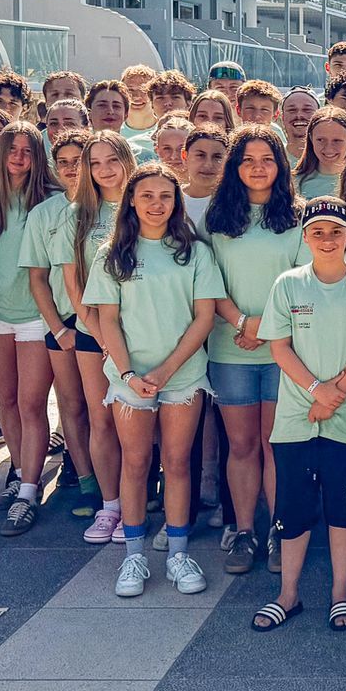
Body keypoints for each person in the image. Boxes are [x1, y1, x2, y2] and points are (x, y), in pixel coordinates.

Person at [83, 163, 224, 598]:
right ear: (131, 200)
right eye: (147, 195)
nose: (156, 204)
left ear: (176, 201)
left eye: (165, 196)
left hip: (182, 376)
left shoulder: (195, 252)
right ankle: (134, 556)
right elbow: (106, 319)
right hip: (129, 379)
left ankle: (178, 554)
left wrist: (165, 371)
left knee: (178, 463)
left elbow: (204, 318)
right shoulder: (112, 255)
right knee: (136, 463)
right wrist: (129, 373)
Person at [250, 195, 346, 633]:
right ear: (305, 237)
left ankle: (339, 592)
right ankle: (288, 594)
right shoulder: (288, 284)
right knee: (293, 510)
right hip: (296, 421)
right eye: (317, 232)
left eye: (335, 232)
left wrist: (334, 394)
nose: (327, 239)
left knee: (345, 511)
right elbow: (279, 347)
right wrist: (316, 389)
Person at [204, 127, 304, 576]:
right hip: (231, 348)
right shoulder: (218, 216)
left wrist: (267, 329)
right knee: (241, 445)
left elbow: (304, 284)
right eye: (248, 159)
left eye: (267, 159)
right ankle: (244, 531)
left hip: (285, 351)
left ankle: (279, 531)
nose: (258, 167)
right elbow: (208, 282)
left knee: (275, 445)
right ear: (235, 166)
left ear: (281, 165)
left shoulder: (298, 216)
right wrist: (243, 323)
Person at [0, 122, 61, 534]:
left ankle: (29, 491)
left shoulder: (53, 201)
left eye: (27, 150)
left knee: (31, 402)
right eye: (12, 149)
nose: (19, 158)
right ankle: (20, 475)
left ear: (39, 156)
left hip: (37, 314)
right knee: (6, 400)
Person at [65, 133, 136, 544]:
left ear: (127, 160)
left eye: (112, 160)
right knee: (102, 420)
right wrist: (101, 335)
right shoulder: (77, 214)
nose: (105, 169)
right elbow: (73, 282)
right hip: (94, 335)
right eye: (95, 163)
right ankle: (110, 506)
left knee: (137, 424)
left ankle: (137, 503)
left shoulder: (144, 203)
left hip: (143, 334)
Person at [22, 129, 98, 514]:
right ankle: (87, 482)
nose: (71, 169)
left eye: (78, 161)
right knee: (72, 404)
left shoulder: (112, 207)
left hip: (106, 323)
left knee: (106, 407)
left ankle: (121, 483)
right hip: (64, 323)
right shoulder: (44, 213)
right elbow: (37, 277)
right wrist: (58, 328)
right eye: (63, 162)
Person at [294, 107, 346, 199]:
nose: (329, 148)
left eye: (337, 141)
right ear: (311, 138)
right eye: (321, 140)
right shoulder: (293, 183)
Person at [180, 127, 226, 226]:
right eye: (200, 155)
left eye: (217, 157)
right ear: (184, 157)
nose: (208, 164)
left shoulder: (236, 202)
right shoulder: (171, 199)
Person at [278, 87, 318, 165]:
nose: (299, 115)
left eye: (307, 110)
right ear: (282, 117)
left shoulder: (329, 159)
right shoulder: (273, 158)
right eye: (292, 110)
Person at [119, 64, 158, 138]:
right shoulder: (113, 131)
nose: (137, 96)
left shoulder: (166, 131)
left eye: (143, 90)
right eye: (130, 90)